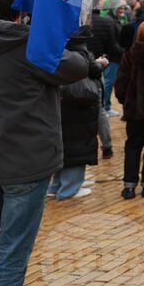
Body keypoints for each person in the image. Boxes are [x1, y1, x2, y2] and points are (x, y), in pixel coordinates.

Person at [0, 0, 89, 286]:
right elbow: (78, 66)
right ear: (21, 3)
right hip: (26, 166)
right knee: (11, 253)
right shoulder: (32, 47)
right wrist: (75, 25)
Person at [115, 19, 144, 200]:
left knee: (133, 145)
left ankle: (129, 185)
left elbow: (121, 85)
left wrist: (126, 101)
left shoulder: (129, 55)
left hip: (134, 110)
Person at [51, 51, 104, 201]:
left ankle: (57, 185)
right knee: (78, 144)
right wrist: (100, 64)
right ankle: (69, 188)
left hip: (60, 100)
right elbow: (93, 70)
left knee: (65, 143)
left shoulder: (56, 46)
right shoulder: (81, 51)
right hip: (79, 103)